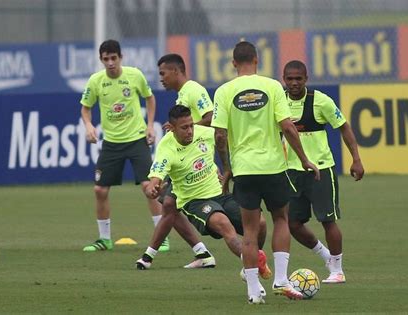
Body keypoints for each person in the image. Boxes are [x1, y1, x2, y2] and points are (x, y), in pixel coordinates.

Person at [80, 40, 209, 262]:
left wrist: (150, 125)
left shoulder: (135, 76)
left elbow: (150, 98)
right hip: (111, 143)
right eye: (105, 59)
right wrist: (89, 126)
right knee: (100, 190)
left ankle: (164, 238)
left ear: (121, 57)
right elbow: (85, 107)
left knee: (153, 188)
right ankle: (104, 239)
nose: (110, 63)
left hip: (137, 139)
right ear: (101, 60)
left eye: (114, 58)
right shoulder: (95, 81)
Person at [211, 41, 321, 304]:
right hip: (273, 167)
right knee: (281, 220)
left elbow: (219, 136)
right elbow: (287, 127)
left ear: (234, 63)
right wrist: (304, 158)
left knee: (249, 231)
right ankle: (281, 280)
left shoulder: (224, 91)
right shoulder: (272, 86)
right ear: (257, 60)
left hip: (245, 170)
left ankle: (252, 291)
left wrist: (227, 168)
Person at [137, 106, 272, 296]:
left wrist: (226, 167)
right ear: (172, 128)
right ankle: (253, 275)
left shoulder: (204, 133)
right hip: (195, 202)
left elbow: (222, 137)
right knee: (225, 224)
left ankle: (251, 262)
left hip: (220, 194)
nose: (190, 131)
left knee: (261, 223)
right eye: (184, 127)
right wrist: (152, 187)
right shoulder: (166, 148)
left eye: (191, 125)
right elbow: (156, 176)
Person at [282, 60, 364, 284]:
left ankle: (337, 270)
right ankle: (326, 255)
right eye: (290, 79)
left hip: (321, 169)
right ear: (284, 79)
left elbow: (344, 127)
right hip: (290, 171)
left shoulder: (320, 101)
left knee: (327, 220)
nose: (294, 83)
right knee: (292, 224)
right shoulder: (278, 101)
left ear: (306, 79)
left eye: (299, 78)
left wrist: (356, 158)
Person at [140, 53, 217, 268]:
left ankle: (148, 257)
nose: (161, 78)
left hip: (194, 163)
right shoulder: (182, 94)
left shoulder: (194, 90)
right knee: (169, 206)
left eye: (163, 73)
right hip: (185, 162)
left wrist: (185, 129)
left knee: (169, 206)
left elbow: (211, 118)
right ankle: (201, 254)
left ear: (176, 71)